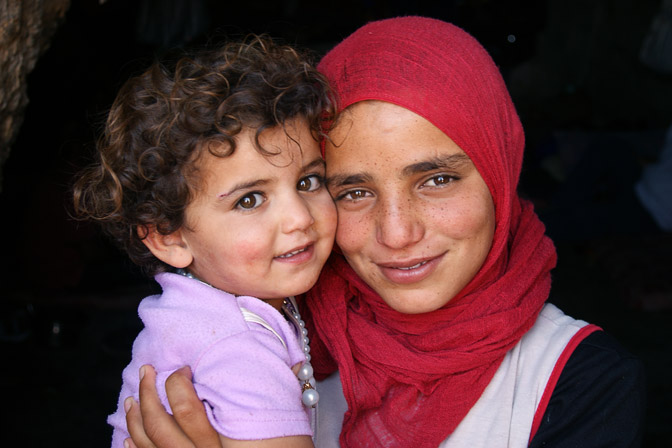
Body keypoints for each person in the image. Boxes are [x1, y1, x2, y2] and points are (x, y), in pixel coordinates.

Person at [122, 17, 645, 448]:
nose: (397, 233)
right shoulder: (266, 331)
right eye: (352, 191)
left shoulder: (581, 384)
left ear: (499, 175)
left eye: (437, 180)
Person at [72, 35, 337, 447]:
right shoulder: (237, 346)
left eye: (308, 181)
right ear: (168, 237)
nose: (300, 217)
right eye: (250, 200)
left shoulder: (195, 310)